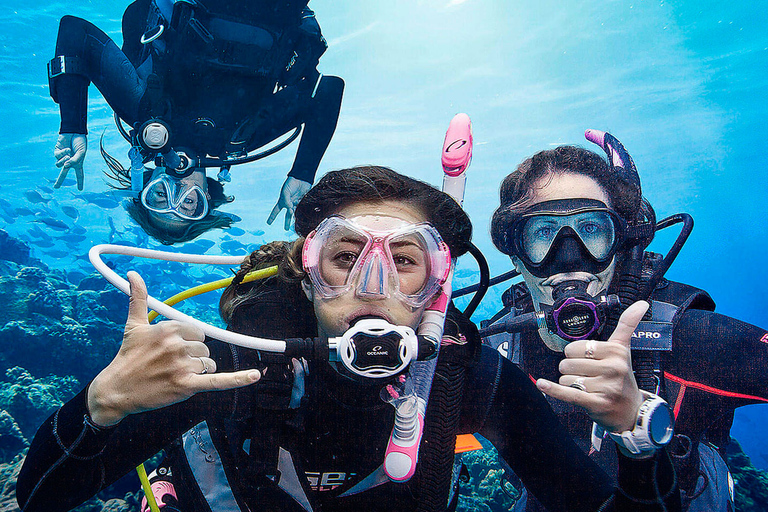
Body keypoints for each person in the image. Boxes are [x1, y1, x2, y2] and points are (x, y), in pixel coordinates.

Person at [18, 166, 680, 512]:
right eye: (345, 258)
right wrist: (98, 408)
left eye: (404, 260)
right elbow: (38, 498)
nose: (373, 285)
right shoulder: (229, 361)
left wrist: (636, 439)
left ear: (436, 285)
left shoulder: (465, 377)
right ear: (307, 275)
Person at [485, 130, 768, 511]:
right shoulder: (495, 349)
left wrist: (639, 423)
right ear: (517, 257)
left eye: (591, 229)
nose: (569, 258)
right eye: (543, 233)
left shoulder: (688, 340)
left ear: (622, 245)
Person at [48, 0, 344, 237]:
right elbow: (328, 90)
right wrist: (303, 173)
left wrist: (73, 125)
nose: (177, 188)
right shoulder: (242, 138)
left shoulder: (143, 111)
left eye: (159, 197)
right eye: (190, 202)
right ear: (206, 196)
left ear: (147, 183)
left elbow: (75, 32)